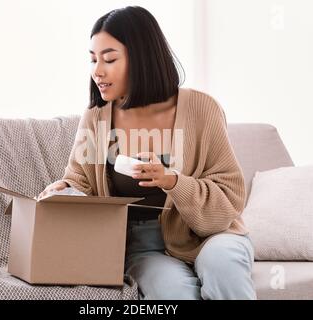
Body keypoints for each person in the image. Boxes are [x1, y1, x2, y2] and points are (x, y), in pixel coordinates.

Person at [38, 6, 256, 300]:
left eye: (110, 59)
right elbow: (81, 180)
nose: (97, 71)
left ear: (141, 57)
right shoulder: (97, 117)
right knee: (173, 292)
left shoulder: (201, 108)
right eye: (93, 60)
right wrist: (65, 188)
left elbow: (229, 193)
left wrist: (172, 181)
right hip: (143, 246)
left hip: (212, 236)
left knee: (224, 266)